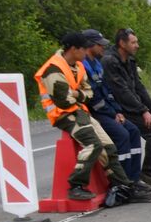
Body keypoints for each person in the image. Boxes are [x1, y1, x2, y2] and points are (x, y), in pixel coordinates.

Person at [33, 32, 138, 203]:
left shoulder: (78, 66)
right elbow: (63, 101)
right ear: (74, 49)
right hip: (63, 115)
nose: (86, 52)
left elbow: (89, 93)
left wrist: (75, 93)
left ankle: (123, 186)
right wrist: (79, 95)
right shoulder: (53, 68)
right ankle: (75, 186)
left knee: (109, 147)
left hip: (81, 111)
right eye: (83, 49)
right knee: (93, 145)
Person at [81, 29, 151, 201]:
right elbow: (93, 98)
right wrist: (111, 113)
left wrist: (117, 111)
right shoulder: (83, 66)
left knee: (133, 131)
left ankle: (134, 180)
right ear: (89, 45)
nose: (103, 48)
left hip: (109, 111)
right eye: (99, 45)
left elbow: (107, 90)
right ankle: (122, 184)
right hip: (95, 113)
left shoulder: (97, 63)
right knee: (122, 135)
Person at [104, 27, 151, 190]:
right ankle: (147, 172)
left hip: (135, 107)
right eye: (133, 42)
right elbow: (122, 91)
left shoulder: (129, 60)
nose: (137, 45)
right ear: (122, 43)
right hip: (121, 110)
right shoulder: (110, 61)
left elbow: (138, 87)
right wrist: (144, 111)